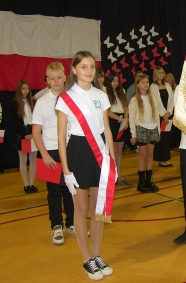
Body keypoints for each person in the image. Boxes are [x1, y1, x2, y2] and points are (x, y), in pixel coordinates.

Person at [56, 51, 115, 280]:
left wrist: (110, 158)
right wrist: (66, 169)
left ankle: (98, 255)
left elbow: (107, 129)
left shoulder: (102, 95)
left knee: (98, 208)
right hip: (78, 152)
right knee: (80, 209)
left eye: (92, 66)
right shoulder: (65, 98)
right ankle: (86, 258)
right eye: (83, 67)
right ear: (74, 70)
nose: (89, 70)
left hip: (99, 151)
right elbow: (61, 137)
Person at [32, 62, 75, 245]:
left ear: (65, 77)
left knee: (71, 188)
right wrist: (45, 155)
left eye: (59, 77)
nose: (56, 81)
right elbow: (36, 132)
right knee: (54, 191)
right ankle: (56, 226)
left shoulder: (73, 98)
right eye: (52, 78)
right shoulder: (41, 102)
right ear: (47, 80)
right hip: (50, 151)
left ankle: (72, 223)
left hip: (71, 149)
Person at [129, 74, 161, 193]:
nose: (146, 84)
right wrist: (133, 135)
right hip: (141, 128)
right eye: (143, 82)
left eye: (147, 82)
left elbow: (157, 115)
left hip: (152, 128)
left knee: (150, 154)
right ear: (137, 85)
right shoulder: (134, 100)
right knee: (143, 155)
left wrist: (158, 131)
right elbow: (131, 118)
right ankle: (141, 182)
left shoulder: (152, 98)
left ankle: (149, 180)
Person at [10, 80, 38, 193]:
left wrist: (34, 133)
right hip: (22, 134)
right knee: (23, 160)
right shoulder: (14, 103)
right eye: (23, 88)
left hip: (33, 132)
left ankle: (32, 183)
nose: (25, 91)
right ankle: (26, 184)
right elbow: (14, 122)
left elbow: (37, 118)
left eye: (27, 88)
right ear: (19, 89)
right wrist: (24, 134)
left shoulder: (33, 102)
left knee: (33, 159)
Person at [104, 72, 129, 184]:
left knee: (119, 150)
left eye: (117, 81)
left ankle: (119, 175)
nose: (115, 83)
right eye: (113, 81)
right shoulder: (105, 92)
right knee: (112, 150)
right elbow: (107, 112)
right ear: (109, 81)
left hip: (122, 121)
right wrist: (120, 119)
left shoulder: (122, 91)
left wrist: (125, 119)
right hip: (113, 120)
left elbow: (125, 107)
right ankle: (112, 176)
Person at [150, 66, 174, 167]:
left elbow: (171, 100)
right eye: (159, 73)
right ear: (156, 74)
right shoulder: (152, 86)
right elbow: (155, 102)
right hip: (159, 116)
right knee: (161, 137)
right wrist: (163, 114)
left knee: (166, 137)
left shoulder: (168, 85)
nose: (161, 74)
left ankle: (165, 158)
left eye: (162, 72)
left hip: (168, 115)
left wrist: (168, 112)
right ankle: (161, 159)